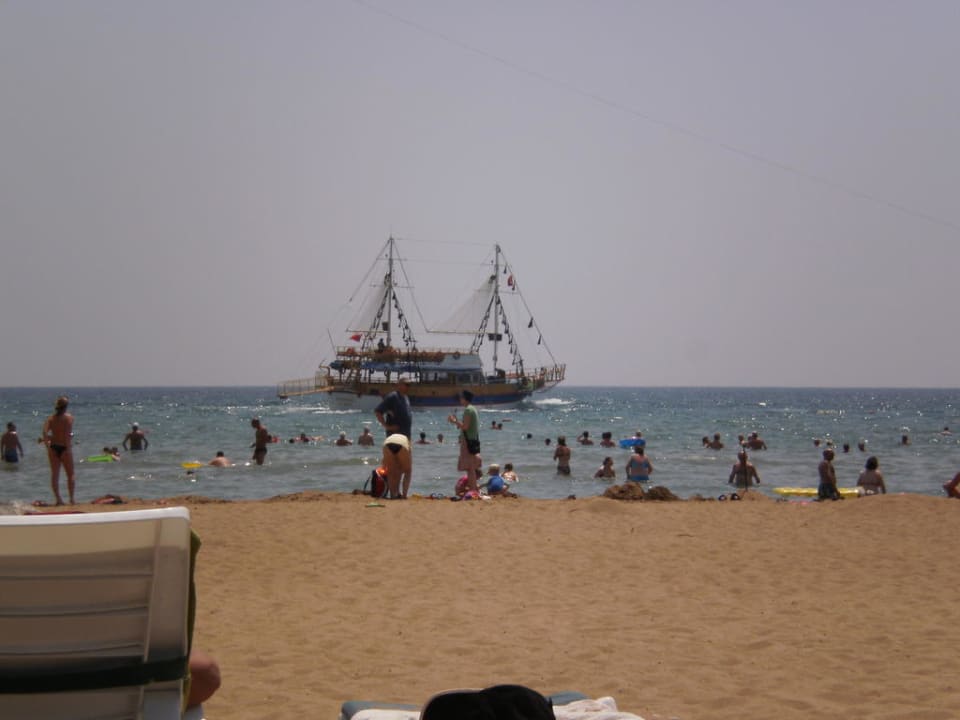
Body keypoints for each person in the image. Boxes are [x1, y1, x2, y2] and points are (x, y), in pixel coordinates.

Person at [42, 395, 75, 505]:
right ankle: (71, 499)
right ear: (66, 406)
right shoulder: (69, 418)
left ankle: (58, 499)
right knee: (70, 474)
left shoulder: (50, 419)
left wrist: (48, 446)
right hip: (65, 447)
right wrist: (67, 448)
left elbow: (45, 433)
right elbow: (66, 434)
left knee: (55, 474)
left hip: (54, 447)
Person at [448, 390, 480, 494]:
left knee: (469, 467)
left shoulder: (468, 410)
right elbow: (467, 426)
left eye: (461, 398)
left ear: (465, 399)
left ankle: (472, 490)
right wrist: (457, 422)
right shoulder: (473, 409)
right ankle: (474, 488)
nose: (460, 399)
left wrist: (454, 421)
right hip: (473, 439)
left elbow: (465, 427)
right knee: (471, 467)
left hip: (468, 441)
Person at [382, 433, 412, 498]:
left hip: (387, 445)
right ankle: (404, 495)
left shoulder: (391, 437)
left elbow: (384, 461)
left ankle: (392, 495)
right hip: (401, 445)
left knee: (390, 472)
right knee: (408, 471)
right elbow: (409, 457)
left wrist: (383, 467)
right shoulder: (407, 440)